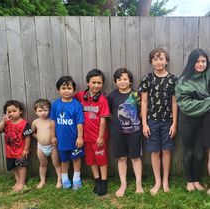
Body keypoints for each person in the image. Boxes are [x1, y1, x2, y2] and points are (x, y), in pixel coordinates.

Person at [139, 48, 178, 195]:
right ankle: (158, 181)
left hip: (168, 121)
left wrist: (174, 123)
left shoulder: (173, 79)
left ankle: (166, 180)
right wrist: (144, 123)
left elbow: (175, 103)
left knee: (166, 150)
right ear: (151, 62)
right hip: (152, 121)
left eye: (161, 59)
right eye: (155, 59)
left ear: (166, 61)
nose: (159, 62)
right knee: (155, 152)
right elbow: (144, 102)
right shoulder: (147, 79)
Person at [175, 48, 210, 192]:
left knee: (199, 152)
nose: (201, 64)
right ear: (192, 63)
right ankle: (189, 181)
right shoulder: (183, 81)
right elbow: (185, 105)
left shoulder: (208, 77)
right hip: (187, 121)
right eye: (198, 61)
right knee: (188, 151)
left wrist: (201, 100)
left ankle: (196, 180)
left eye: (203, 61)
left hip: (204, 121)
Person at [107, 68, 144, 197]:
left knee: (135, 157)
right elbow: (111, 113)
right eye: (119, 79)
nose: (122, 82)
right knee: (121, 158)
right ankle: (123, 184)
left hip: (134, 132)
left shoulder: (136, 95)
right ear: (115, 81)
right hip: (117, 132)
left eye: (125, 79)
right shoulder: (112, 96)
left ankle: (139, 183)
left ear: (130, 81)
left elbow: (141, 111)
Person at [75, 69, 110, 196]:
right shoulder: (79, 96)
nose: (96, 85)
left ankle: (104, 182)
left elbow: (103, 120)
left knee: (101, 159)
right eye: (93, 82)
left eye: (99, 83)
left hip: (98, 137)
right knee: (91, 160)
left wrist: (101, 137)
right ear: (87, 83)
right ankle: (97, 181)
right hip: (85, 137)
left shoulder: (102, 100)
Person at [49, 76, 84, 190]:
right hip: (61, 139)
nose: (66, 91)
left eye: (69, 88)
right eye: (63, 88)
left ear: (73, 90)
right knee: (64, 160)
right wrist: (53, 135)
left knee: (76, 158)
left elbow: (79, 122)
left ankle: (76, 178)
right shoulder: (55, 105)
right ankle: (65, 178)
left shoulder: (77, 105)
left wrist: (80, 137)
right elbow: (53, 121)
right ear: (58, 89)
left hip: (74, 139)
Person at [0, 100, 32, 192]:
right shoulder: (6, 123)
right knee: (14, 167)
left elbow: (28, 137)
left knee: (21, 166)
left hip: (20, 151)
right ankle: (18, 181)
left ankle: (22, 182)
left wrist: (26, 149)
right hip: (10, 151)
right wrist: (3, 122)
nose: (12, 113)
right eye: (9, 112)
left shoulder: (24, 123)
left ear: (20, 111)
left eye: (14, 111)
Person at [32, 99, 62, 189]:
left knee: (56, 163)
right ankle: (42, 180)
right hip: (41, 147)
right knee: (42, 164)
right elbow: (32, 132)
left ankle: (59, 180)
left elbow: (57, 132)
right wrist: (39, 138)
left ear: (49, 110)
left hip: (52, 146)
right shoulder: (36, 122)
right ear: (36, 112)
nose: (43, 113)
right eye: (40, 111)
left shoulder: (51, 121)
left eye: (45, 110)